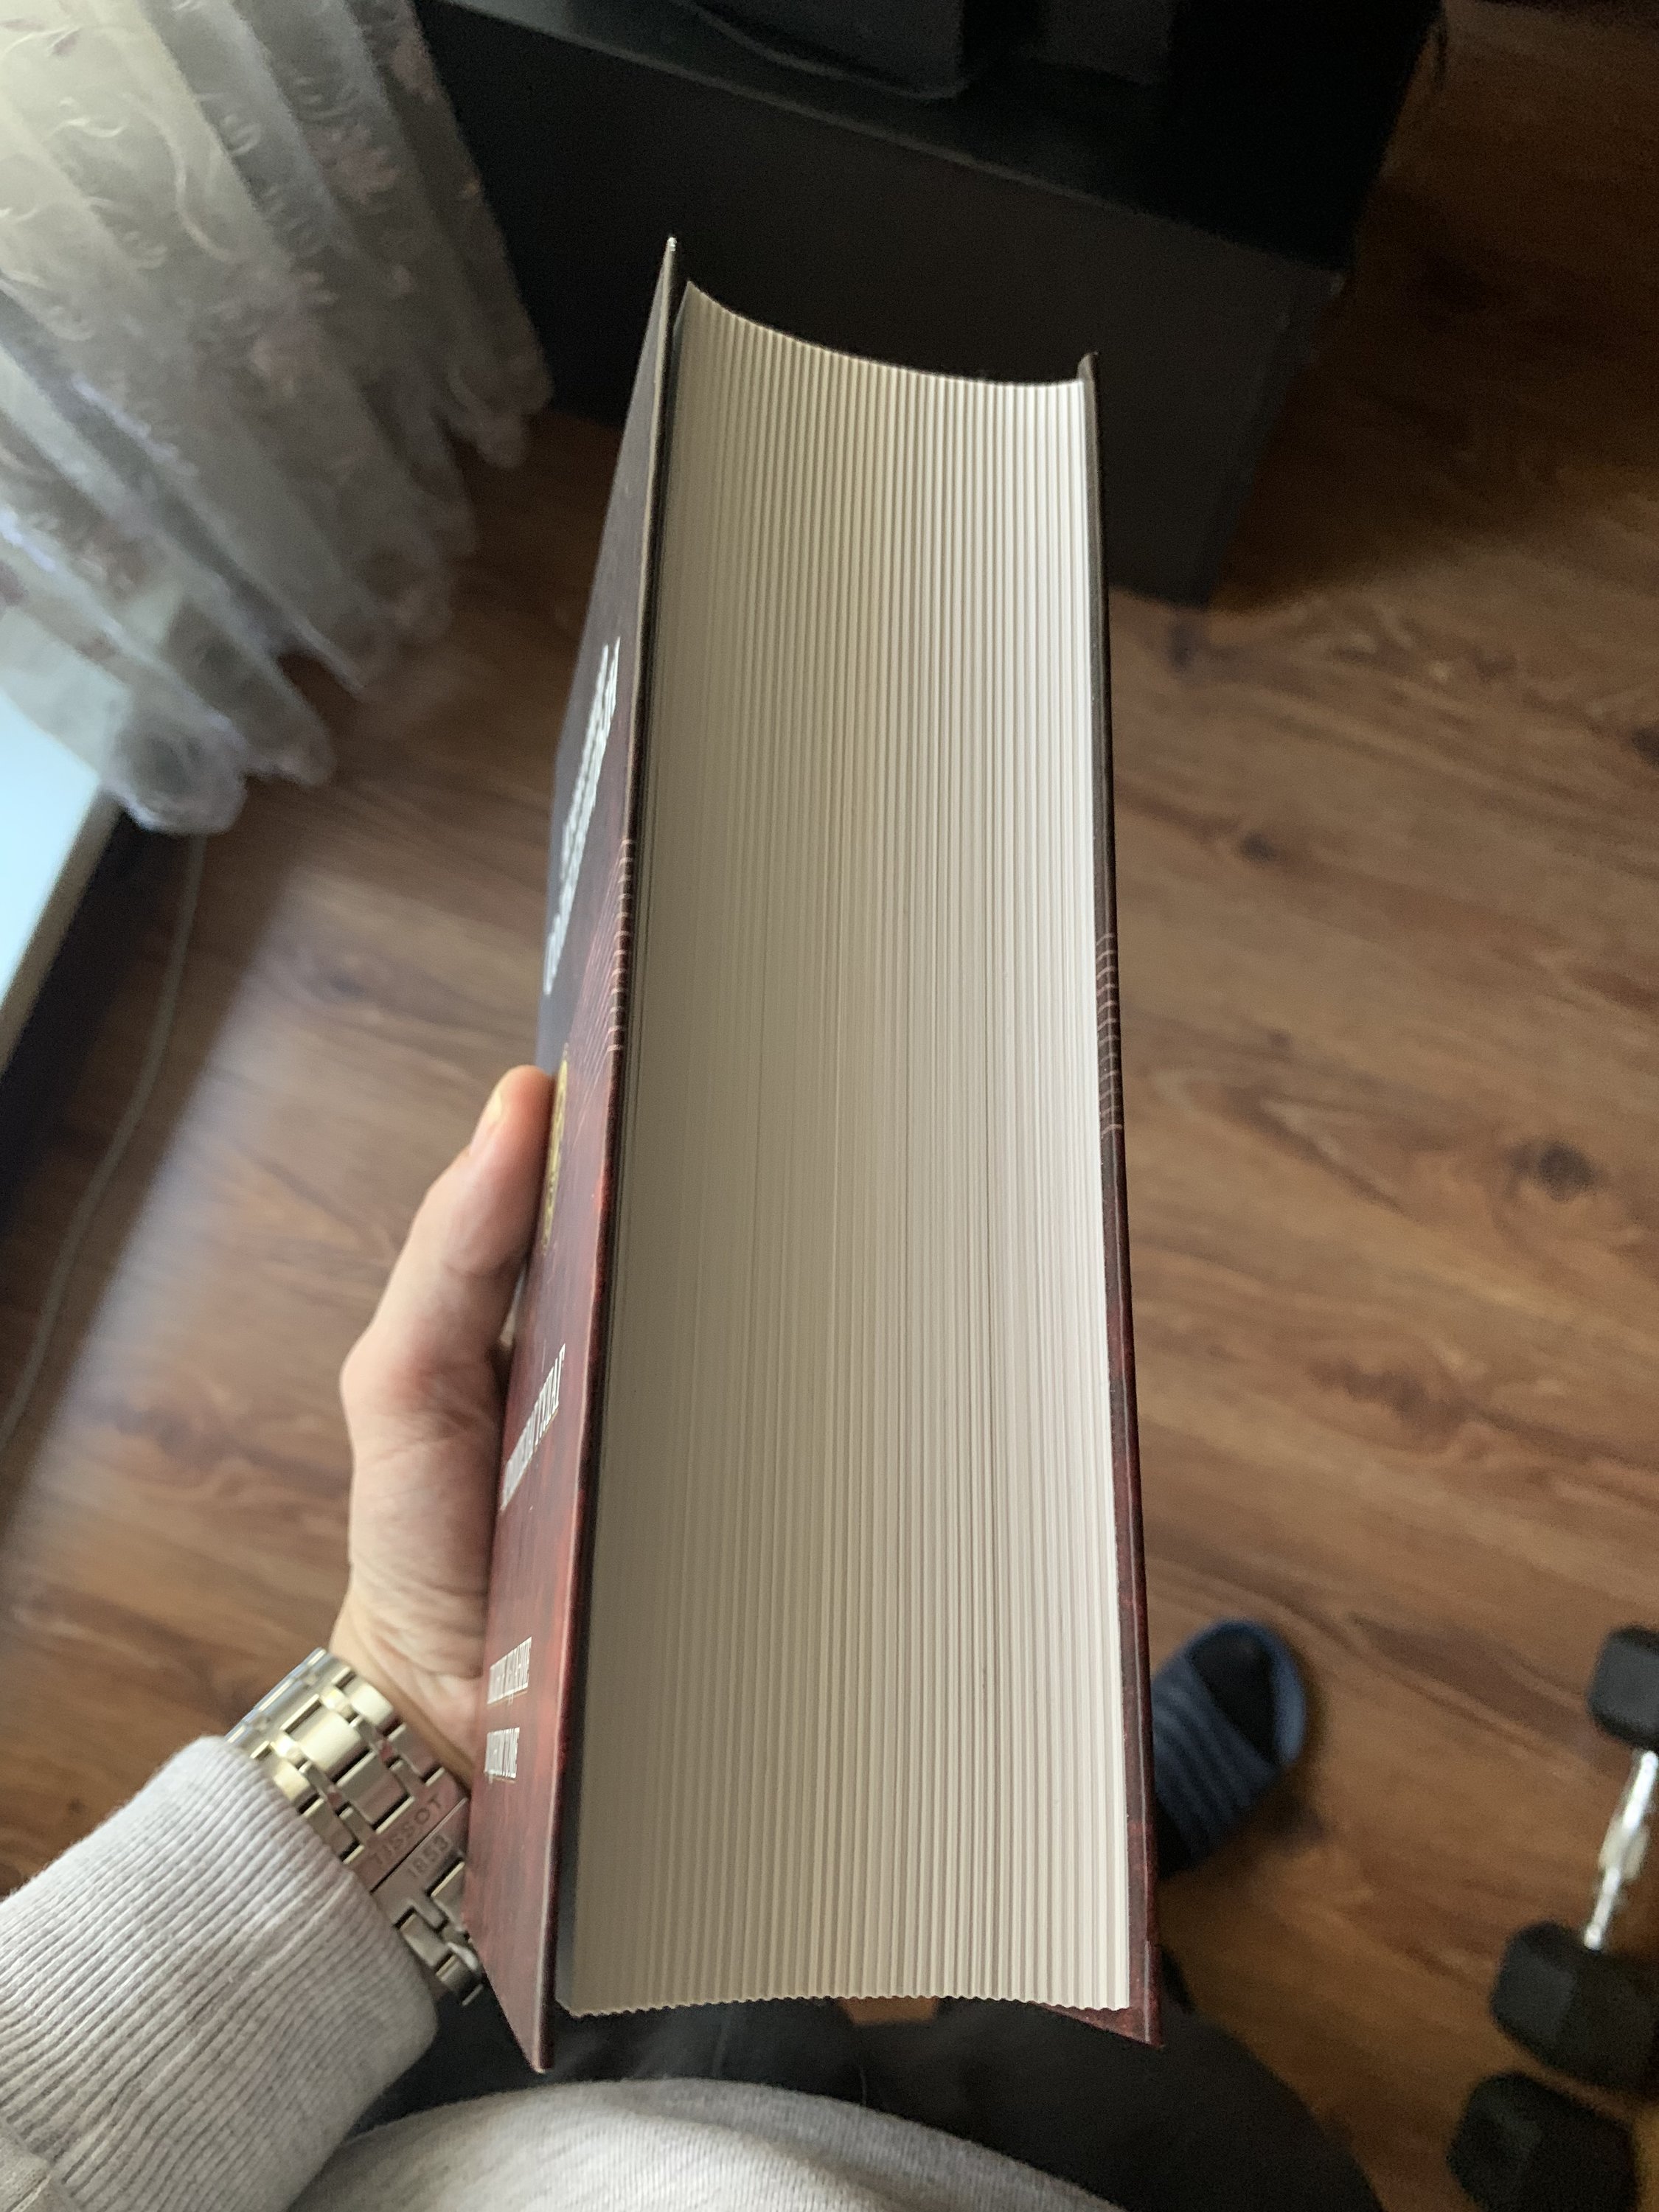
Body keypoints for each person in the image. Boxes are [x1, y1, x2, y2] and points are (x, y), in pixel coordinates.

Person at [0, 1068, 1381, 2212]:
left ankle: (1056, 1911)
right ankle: (1090, 1923)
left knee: (690, 1962)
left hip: (473, 2126)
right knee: (1170, 2104)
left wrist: (412, 1710)